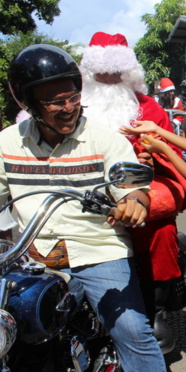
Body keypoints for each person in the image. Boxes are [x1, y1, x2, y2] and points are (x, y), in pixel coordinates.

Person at [2, 44, 165, 371]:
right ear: (29, 102)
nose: (68, 108)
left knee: (134, 330)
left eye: (73, 97)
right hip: (32, 257)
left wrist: (133, 204)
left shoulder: (105, 139)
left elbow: (136, 193)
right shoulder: (6, 143)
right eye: (55, 101)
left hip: (97, 250)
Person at [79, 31, 186, 354]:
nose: (108, 80)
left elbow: (167, 157)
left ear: (128, 74)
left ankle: (156, 309)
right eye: (101, 74)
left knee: (158, 226)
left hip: (140, 186)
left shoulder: (148, 108)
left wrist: (148, 157)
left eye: (115, 74)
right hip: (86, 188)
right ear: (89, 74)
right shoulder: (74, 107)